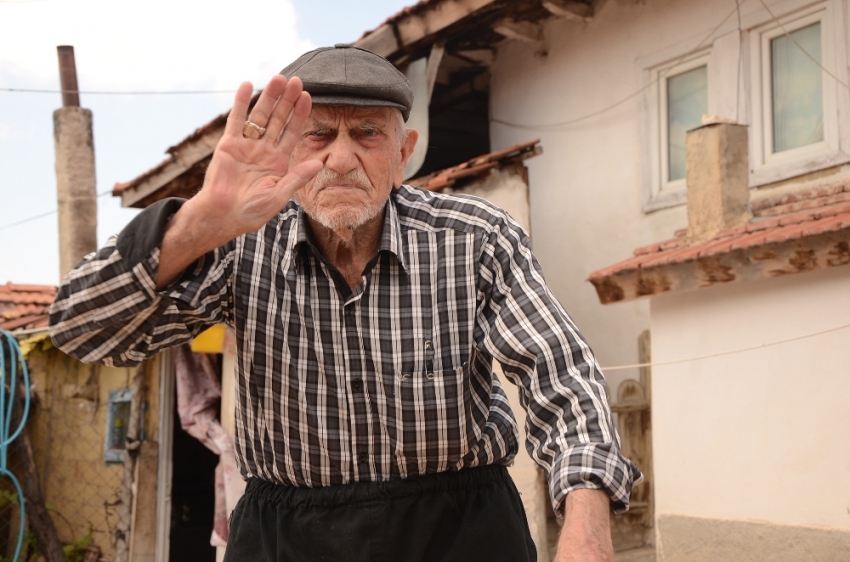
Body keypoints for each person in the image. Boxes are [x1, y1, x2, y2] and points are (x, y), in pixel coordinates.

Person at [50, 45, 641, 562]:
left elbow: (561, 379)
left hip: (460, 527)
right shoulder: (236, 243)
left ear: (403, 151)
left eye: (366, 134)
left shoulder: (476, 237)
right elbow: (81, 331)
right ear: (284, 151)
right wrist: (201, 220)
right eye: (317, 135)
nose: (339, 158)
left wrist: (586, 533)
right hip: (287, 534)